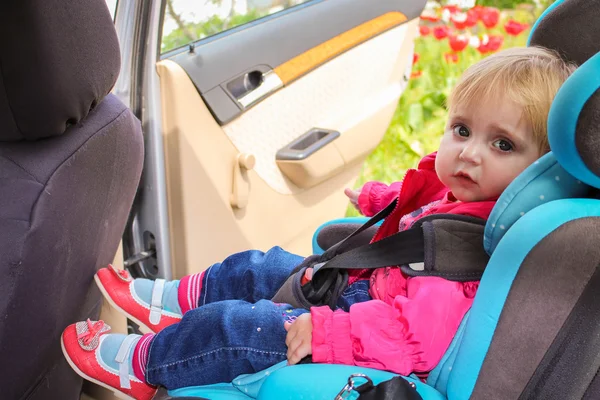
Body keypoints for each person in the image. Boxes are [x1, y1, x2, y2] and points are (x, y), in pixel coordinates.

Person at [61, 47, 576, 400]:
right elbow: (424, 210)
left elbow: (418, 339)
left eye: (502, 144)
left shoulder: (474, 256)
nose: (469, 154)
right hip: (371, 291)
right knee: (260, 268)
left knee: (241, 327)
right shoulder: (472, 196)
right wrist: (378, 198)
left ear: (541, 168)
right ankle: (164, 304)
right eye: (461, 130)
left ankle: (141, 365)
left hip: (368, 328)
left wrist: (328, 331)